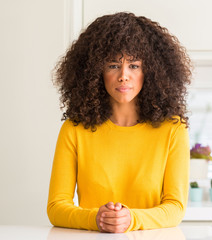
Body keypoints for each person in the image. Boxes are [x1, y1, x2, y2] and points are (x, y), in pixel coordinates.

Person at [47, 12, 192, 233]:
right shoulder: (74, 130)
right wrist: (96, 219)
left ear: (150, 71)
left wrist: (130, 219)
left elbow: (176, 207)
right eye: (113, 65)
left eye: (134, 65)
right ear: (95, 72)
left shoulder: (173, 129)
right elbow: (56, 207)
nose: (123, 75)